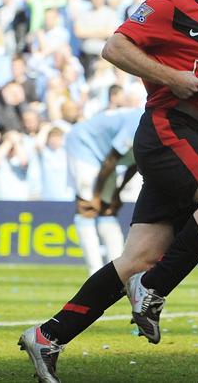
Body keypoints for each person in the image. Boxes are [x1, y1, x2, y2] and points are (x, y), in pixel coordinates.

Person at [18, 0, 198, 382]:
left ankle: (49, 335)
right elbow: (114, 47)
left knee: (137, 258)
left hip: (194, 133)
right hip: (167, 131)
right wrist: (169, 77)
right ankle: (154, 289)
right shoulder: (166, 7)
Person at [63, 108, 143, 276]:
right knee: (88, 207)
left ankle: (118, 270)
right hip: (84, 146)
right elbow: (111, 160)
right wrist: (98, 196)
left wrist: (118, 193)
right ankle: (95, 272)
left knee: (108, 209)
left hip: (107, 157)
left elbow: (136, 164)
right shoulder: (137, 124)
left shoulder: (155, 128)